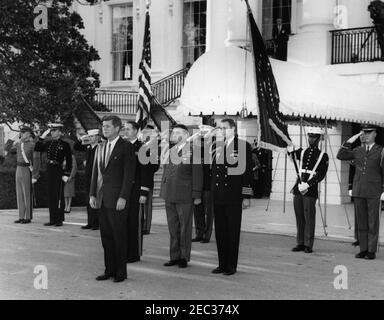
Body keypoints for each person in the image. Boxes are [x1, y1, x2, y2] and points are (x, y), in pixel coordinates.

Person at [89, 115, 136, 283]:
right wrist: (92, 194)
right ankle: (109, 269)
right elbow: (96, 172)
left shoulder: (126, 147)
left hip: (117, 200)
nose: (105, 129)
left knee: (119, 237)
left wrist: (123, 197)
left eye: (108, 126)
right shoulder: (100, 147)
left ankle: (120, 272)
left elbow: (128, 175)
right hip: (102, 199)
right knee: (106, 238)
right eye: (103, 126)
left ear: (117, 128)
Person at [210, 119, 253, 276]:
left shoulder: (243, 146)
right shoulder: (216, 146)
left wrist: (246, 196)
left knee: (232, 232)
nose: (221, 131)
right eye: (220, 128)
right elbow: (214, 172)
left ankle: (231, 266)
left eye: (225, 128)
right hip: (218, 195)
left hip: (233, 196)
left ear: (233, 129)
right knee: (220, 231)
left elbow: (247, 173)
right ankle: (221, 264)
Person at [337, 124, 384, 260]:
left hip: (374, 191)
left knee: (372, 223)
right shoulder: (357, 150)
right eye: (364, 132)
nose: (366, 135)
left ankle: (371, 250)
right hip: (358, 190)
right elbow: (340, 155)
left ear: (375, 134)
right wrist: (354, 137)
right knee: (361, 222)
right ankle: (363, 249)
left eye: (369, 132)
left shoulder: (381, 151)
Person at [160, 124, 203, 269]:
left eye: (177, 132)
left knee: (185, 228)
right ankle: (174, 256)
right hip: (169, 194)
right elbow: (166, 171)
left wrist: (197, 194)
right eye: (173, 132)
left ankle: (184, 257)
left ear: (185, 135)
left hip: (184, 195)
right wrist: (163, 190)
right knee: (173, 228)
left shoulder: (193, 151)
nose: (173, 135)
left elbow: (197, 174)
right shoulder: (172, 150)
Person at [122, 121, 159, 263]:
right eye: (124, 129)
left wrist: (144, 191)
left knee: (134, 222)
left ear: (136, 130)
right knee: (123, 222)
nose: (126, 131)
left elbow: (147, 170)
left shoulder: (142, 147)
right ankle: (124, 251)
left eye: (129, 129)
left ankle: (134, 253)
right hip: (123, 190)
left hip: (136, 190)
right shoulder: (122, 146)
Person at [288, 127, 329, 254]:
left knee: (309, 217)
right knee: (299, 216)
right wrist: (289, 150)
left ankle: (308, 244)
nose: (311, 139)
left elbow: (321, 174)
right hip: (298, 188)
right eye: (309, 136)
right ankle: (300, 242)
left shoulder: (323, 155)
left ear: (319, 139)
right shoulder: (303, 151)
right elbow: (291, 154)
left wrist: (308, 184)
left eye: (314, 137)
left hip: (310, 190)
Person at [35, 123, 72, 227]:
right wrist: (42, 136)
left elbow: (69, 160)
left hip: (58, 170)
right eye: (51, 131)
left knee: (58, 195)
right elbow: (37, 148)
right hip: (49, 169)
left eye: (54, 130)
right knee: (51, 195)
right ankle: (52, 219)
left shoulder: (65, 144)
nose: (52, 132)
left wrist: (66, 173)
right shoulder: (48, 143)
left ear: (60, 132)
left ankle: (59, 219)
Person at [9, 126, 40, 224]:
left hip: (27, 169)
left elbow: (36, 160)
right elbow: (7, 148)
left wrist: (35, 175)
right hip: (18, 169)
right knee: (19, 194)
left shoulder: (32, 145)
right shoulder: (18, 144)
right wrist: (14, 138)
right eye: (21, 133)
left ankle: (28, 217)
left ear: (28, 134)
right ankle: (21, 216)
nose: (21, 134)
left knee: (27, 193)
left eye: (23, 133)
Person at [74, 129, 100, 230]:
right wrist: (81, 138)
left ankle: (96, 223)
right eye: (89, 137)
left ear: (97, 137)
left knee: (96, 199)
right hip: (88, 176)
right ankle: (90, 222)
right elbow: (76, 146)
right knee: (88, 199)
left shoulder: (101, 147)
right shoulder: (88, 147)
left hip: (97, 176)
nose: (90, 138)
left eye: (92, 136)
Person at [192, 136, 214, 243]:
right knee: (197, 212)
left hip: (208, 187)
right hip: (197, 187)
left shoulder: (211, 154)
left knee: (208, 213)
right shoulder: (195, 154)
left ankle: (206, 235)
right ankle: (199, 233)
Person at [140, 124, 160, 235]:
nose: (145, 135)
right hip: (138, 180)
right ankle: (139, 224)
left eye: (148, 133)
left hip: (147, 180)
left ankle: (146, 227)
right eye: (144, 132)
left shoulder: (153, 148)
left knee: (147, 206)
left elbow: (155, 167)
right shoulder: (140, 145)